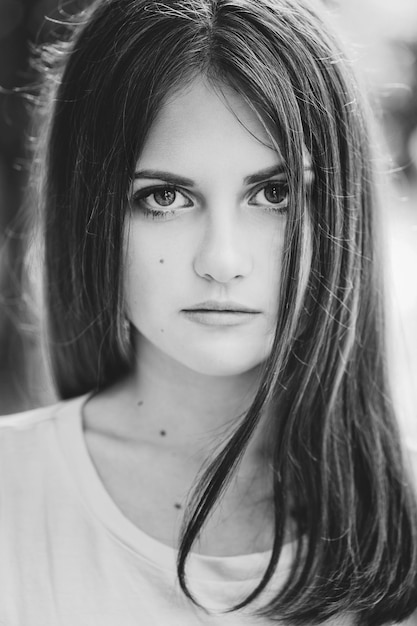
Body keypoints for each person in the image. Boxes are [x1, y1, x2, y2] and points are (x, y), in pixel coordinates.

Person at [1, 0, 417, 624]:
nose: (222, 260)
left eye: (274, 194)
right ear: (90, 211)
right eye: (164, 197)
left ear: (340, 209)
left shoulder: (403, 511)